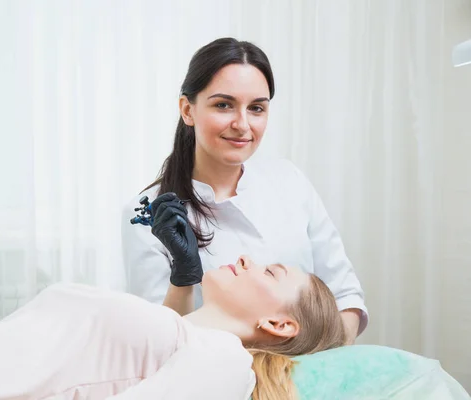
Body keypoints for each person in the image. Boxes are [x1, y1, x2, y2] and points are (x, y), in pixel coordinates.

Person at [121, 37, 368, 344]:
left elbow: (344, 298)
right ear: (188, 110)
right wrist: (183, 279)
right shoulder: (148, 213)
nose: (242, 124)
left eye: (256, 108)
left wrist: (310, 377)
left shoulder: (289, 181)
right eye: (223, 105)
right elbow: (156, 341)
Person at [0, 255, 344, 400]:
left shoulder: (227, 360)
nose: (246, 259)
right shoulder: (178, 333)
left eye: (271, 272)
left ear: (278, 323)